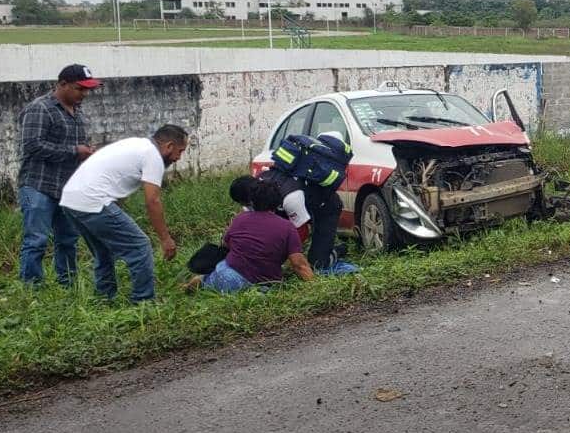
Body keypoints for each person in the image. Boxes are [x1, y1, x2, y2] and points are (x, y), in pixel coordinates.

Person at [59, 125, 188, 303]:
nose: (178, 158)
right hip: (93, 200)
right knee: (140, 246)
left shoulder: (137, 145)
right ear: (169, 146)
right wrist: (165, 239)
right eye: (180, 152)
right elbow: (152, 201)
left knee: (103, 251)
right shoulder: (153, 156)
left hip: (71, 200)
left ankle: (104, 298)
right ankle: (144, 301)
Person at [16, 64, 97, 286]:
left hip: (67, 188)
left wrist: (85, 152)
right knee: (36, 240)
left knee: (68, 239)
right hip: (38, 185)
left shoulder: (77, 112)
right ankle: (31, 289)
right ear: (62, 84)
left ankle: (67, 284)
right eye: (80, 89)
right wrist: (74, 151)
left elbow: (74, 146)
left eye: (87, 90)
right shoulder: (40, 109)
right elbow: (32, 146)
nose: (84, 94)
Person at [186, 177, 315, 293]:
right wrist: (315, 286)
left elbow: (226, 245)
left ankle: (200, 281)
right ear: (277, 201)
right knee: (264, 291)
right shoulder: (287, 227)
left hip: (225, 273)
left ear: (252, 202)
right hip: (253, 284)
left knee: (211, 281)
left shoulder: (240, 219)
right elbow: (299, 265)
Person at [257, 131, 352, 272]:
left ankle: (335, 250)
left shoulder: (290, 193)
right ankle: (325, 252)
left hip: (317, 205)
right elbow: (299, 231)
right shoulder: (259, 185)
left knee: (317, 263)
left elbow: (300, 232)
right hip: (301, 202)